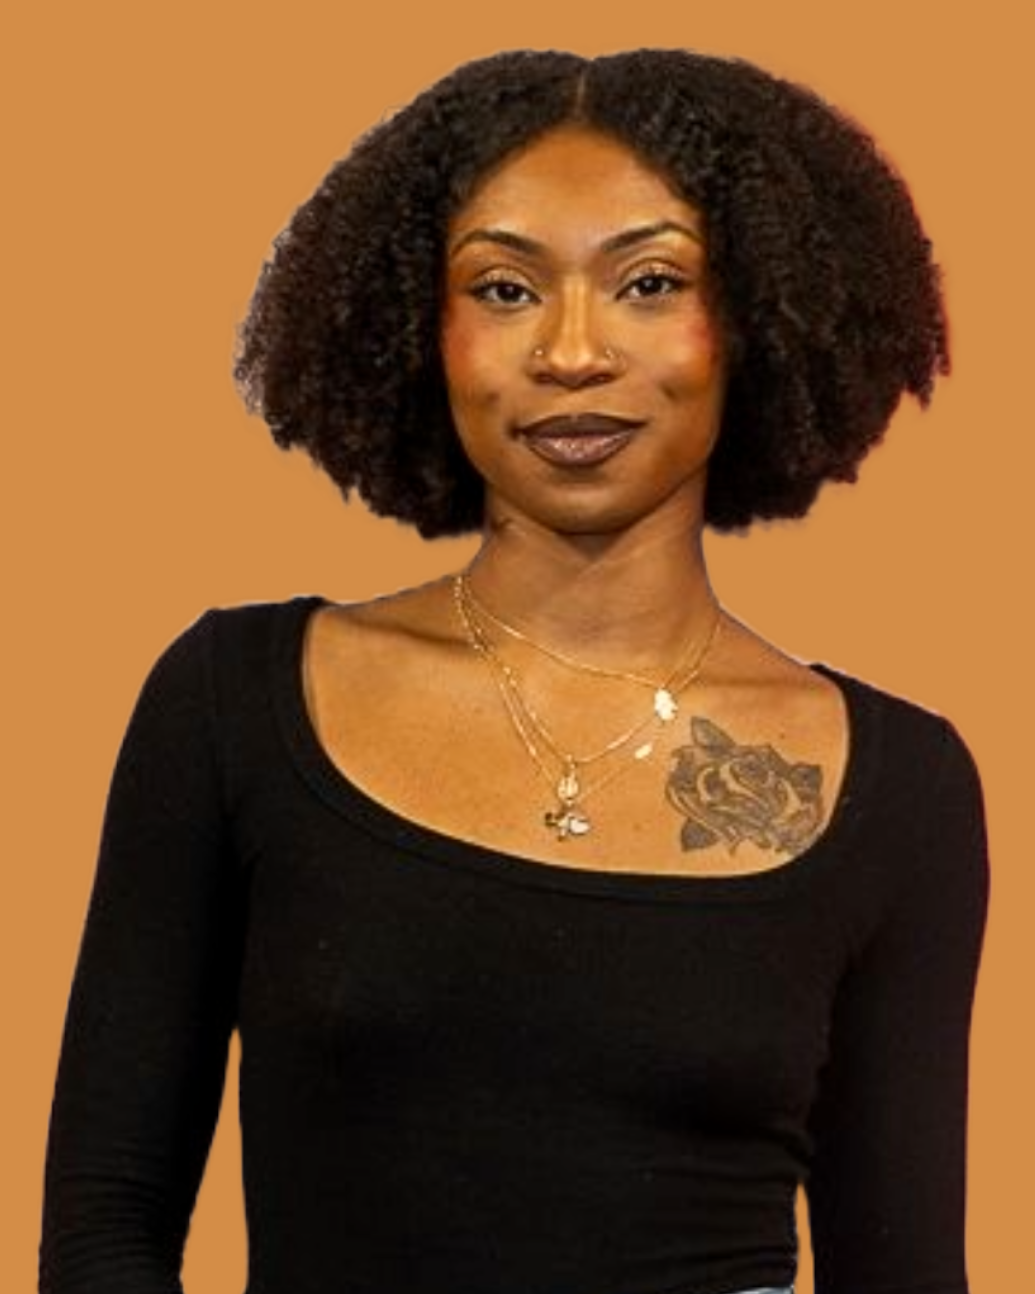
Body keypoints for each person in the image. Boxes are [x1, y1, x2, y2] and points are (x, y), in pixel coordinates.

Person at [40, 48, 988, 1294]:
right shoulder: (232, 701)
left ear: (755, 320)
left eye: (650, 282)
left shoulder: (898, 785)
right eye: (502, 288)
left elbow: (905, 1271)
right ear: (415, 330)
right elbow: (106, 1226)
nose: (572, 352)